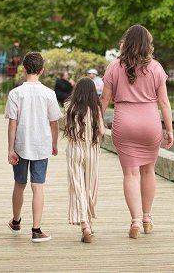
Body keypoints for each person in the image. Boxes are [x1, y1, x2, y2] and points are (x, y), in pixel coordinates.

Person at [100, 24, 174, 239]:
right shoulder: (156, 68)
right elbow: (164, 102)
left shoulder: (114, 67)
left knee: (130, 174)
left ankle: (134, 222)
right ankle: (147, 218)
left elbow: (104, 99)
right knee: (148, 171)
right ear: (147, 44)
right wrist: (169, 129)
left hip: (125, 122)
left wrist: (98, 122)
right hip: (149, 122)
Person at [5, 52, 62, 243]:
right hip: (41, 145)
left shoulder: (15, 93)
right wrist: (54, 143)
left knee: (19, 184)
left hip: (21, 145)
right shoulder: (49, 94)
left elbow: (12, 124)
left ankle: (16, 221)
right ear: (42, 70)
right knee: (38, 187)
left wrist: (10, 149)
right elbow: (54, 123)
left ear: (23, 69)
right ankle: (36, 230)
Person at [63, 77, 105, 243]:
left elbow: (66, 128)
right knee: (90, 187)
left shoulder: (69, 107)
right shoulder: (96, 108)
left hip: (74, 149)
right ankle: (89, 221)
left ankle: (85, 225)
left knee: (77, 186)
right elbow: (101, 131)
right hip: (92, 150)